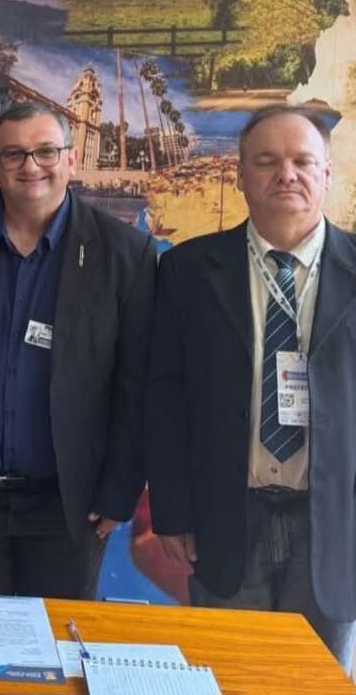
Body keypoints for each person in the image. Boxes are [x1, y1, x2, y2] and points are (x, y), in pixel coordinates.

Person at [147, 104, 356, 667]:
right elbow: (165, 400)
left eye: (302, 161)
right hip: (225, 519)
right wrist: (172, 512)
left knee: (315, 680)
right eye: (266, 161)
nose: (286, 174)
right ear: (240, 174)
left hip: (334, 527)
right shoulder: (187, 272)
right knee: (228, 673)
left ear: (327, 174)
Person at [0, 102, 156, 598]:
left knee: (58, 634)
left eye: (45, 151)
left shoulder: (125, 253)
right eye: (14, 154)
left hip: (69, 502)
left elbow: (137, 382)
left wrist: (120, 488)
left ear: (71, 159)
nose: (31, 166)